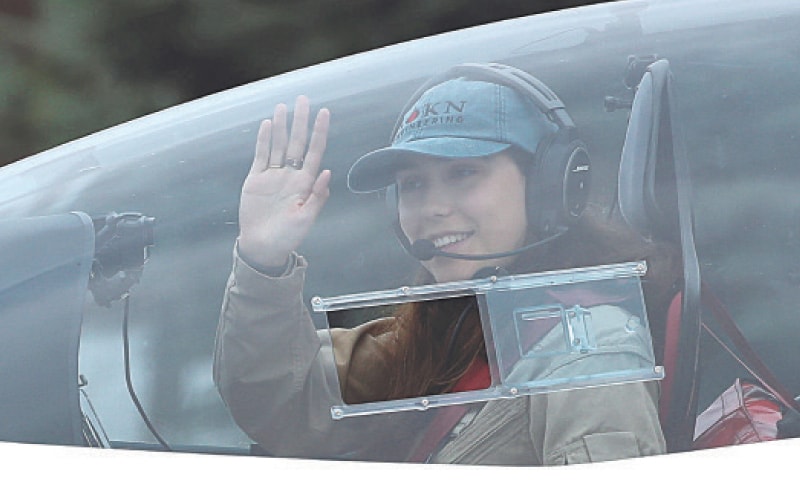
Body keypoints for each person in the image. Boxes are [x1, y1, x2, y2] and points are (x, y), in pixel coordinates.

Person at [214, 63, 679, 464]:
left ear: (548, 187)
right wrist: (264, 258)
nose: (433, 208)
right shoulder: (446, 331)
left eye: (463, 173)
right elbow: (281, 403)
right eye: (413, 185)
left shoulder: (587, 346)